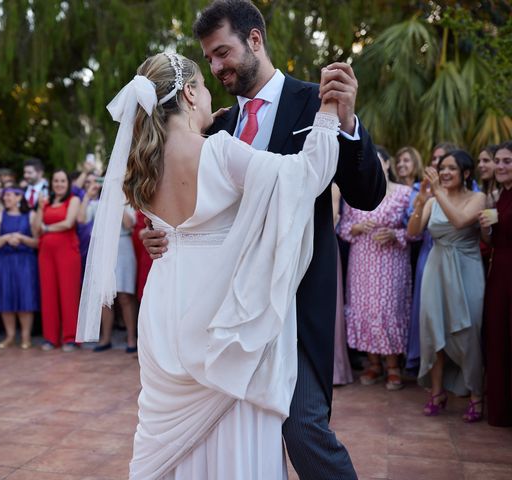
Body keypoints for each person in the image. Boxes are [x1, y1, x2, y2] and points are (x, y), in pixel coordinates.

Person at [140, 2, 385, 477]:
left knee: (303, 425)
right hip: (227, 313)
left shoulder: (317, 101)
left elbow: (369, 194)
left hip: (296, 299)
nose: (216, 68)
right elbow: (193, 199)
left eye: (223, 53)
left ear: (255, 40)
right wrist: (162, 234)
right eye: (208, 59)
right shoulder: (219, 126)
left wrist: (348, 123)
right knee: (231, 432)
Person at [77, 50, 340, 479]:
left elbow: (171, 225)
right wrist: (328, 112)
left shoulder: (139, 166)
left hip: (166, 305)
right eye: (202, 86)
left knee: (171, 439)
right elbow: (307, 175)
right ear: (189, 92)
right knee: (234, 424)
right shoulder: (220, 152)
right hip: (222, 305)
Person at [408, 151, 485, 422]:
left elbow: (461, 221)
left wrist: (436, 192)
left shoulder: (478, 198)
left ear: (465, 173)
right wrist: (420, 203)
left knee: (470, 330)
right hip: (436, 268)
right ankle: (437, 392)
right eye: (442, 168)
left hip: (467, 268)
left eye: (452, 168)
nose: (445, 172)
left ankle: (476, 393)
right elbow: (413, 232)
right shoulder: (432, 200)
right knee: (433, 329)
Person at [339, 150, 413, 390]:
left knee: (388, 308)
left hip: (391, 261)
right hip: (362, 260)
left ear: (388, 163)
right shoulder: (355, 193)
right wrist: (358, 227)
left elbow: (417, 231)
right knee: (364, 308)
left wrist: (395, 233)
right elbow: (343, 228)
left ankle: (393, 366)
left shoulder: (404, 193)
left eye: (377, 161)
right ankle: (373, 364)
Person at [480, 140, 512, 427]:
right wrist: (487, 228)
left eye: (507, 161)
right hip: (498, 272)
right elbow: (490, 241)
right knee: (497, 336)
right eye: (498, 161)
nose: (500, 166)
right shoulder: (498, 195)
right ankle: (501, 410)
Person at [34, 170, 81, 352]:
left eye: (62, 181)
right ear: (51, 183)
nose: (59, 184)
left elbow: (68, 223)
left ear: (68, 183)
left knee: (68, 293)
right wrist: (39, 208)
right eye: (56, 181)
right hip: (46, 252)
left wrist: (46, 227)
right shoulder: (45, 203)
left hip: (67, 252)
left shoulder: (73, 200)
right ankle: (50, 338)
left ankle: (70, 338)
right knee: (48, 293)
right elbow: (36, 229)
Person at [0, 187, 39, 349]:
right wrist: (6, 238)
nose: (6, 198)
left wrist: (22, 238)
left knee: (25, 298)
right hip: (5, 262)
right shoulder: (0, 215)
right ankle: (10, 335)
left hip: (25, 262)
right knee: (6, 298)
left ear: (19, 197)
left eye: (9, 195)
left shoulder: (30, 215)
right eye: (4, 196)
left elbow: (38, 241)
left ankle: (25, 336)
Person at [93, 205, 138, 353]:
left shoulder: (127, 202)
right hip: (104, 248)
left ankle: (131, 338)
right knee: (104, 296)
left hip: (123, 246)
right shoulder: (99, 202)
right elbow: (83, 219)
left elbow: (129, 224)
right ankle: (105, 338)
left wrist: (118, 202)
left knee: (125, 295)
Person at [331, 183, 353, 386]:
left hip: (322, 247)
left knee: (329, 309)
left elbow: (331, 219)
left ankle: (334, 370)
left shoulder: (334, 187)